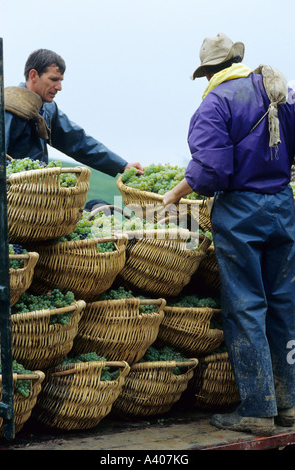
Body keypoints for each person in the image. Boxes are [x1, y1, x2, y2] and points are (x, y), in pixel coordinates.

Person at [163, 33, 295, 436]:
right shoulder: (280, 91)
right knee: (284, 303)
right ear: (238, 58)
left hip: (242, 213)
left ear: (207, 71)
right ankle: (288, 404)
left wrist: (172, 195)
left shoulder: (216, 102)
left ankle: (257, 409)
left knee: (246, 306)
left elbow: (210, 172)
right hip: (282, 207)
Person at [4, 48, 143, 180]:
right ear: (33, 75)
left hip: (39, 195)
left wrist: (122, 165)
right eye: (53, 79)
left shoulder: (48, 108)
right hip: (11, 197)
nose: (59, 87)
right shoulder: (9, 107)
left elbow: (79, 142)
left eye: (60, 80)